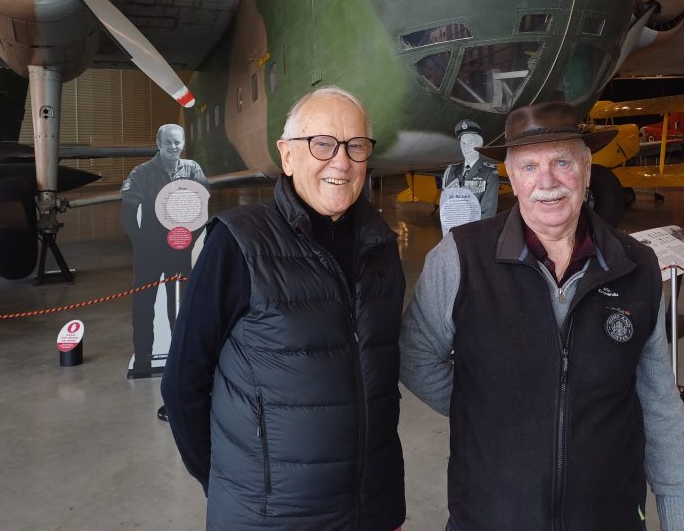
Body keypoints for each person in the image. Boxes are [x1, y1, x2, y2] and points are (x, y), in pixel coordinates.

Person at [400, 101, 684, 531]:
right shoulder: (460, 258)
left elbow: (658, 403)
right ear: (510, 175)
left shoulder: (636, 265)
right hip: (491, 514)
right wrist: (487, 410)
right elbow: (415, 357)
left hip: (608, 515)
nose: (546, 182)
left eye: (562, 162)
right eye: (528, 167)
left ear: (586, 167)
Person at [161, 87, 406, 531]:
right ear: (287, 156)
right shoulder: (238, 242)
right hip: (271, 516)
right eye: (323, 144)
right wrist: (229, 485)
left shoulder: (381, 245)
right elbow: (183, 382)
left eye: (356, 145)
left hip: (372, 508)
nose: (341, 161)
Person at [121, 123, 207, 377]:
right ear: (158, 144)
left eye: (177, 142)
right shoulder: (141, 173)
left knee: (181, 307)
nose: (173, 147)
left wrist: (190, 239)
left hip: (180, 251)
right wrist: (140, 243)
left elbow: (202, 205)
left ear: (183, 143)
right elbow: (127, 214)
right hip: (149, 252)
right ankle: (143, 362)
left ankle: (182, 358)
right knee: (143, 307)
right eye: (168, 142)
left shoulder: (192, 169)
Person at [441, 119, 499, 220]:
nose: (465, 147)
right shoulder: (450, 171)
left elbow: (487, 214)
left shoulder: (489, 174)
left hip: (475, 232)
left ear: (479, 144)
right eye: (463, 143)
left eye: (470, 143)